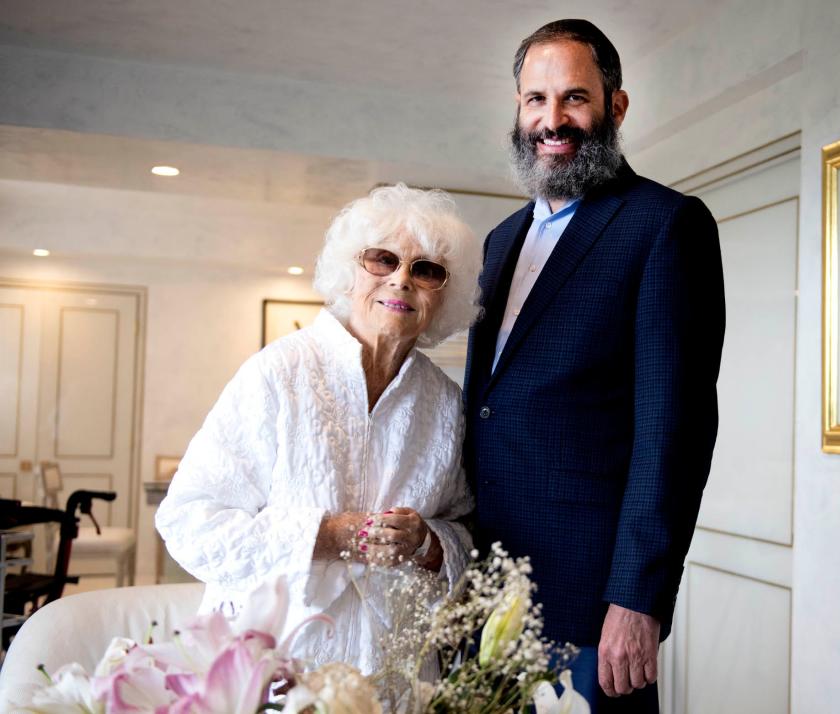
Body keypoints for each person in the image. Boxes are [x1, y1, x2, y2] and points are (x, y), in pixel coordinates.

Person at [463, 19, 725, 712]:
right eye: (535, 100)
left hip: (592, 610)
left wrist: (637, 600)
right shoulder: (499, 241)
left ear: (616, 105)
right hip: (488, 597)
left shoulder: (664, 225)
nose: (553, 120)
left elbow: (675, 429)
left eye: (574, 98)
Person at [156, 184, 482, 674]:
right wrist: (329, 536)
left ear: (445, 294)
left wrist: (427, 543)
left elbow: (466, 529)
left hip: (395, 674)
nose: (401, 280)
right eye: (382, 260)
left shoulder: (443, 401)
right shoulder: (278, 373)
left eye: (426, 270)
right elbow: (188, 522)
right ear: (348, 271)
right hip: (278, 667)